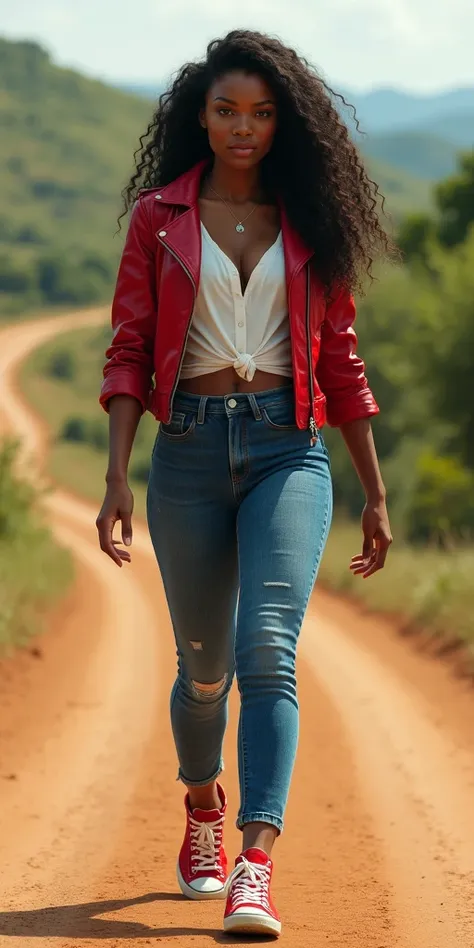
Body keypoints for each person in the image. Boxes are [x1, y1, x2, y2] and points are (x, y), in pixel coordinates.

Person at [96, 29, 393, 939]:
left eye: (261, 114)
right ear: (201, 115)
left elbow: (340, 360)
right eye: (227, 110)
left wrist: (375, 492)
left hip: (287, 449)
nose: (243, 128)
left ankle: (255, 866)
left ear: (284, 123)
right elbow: (131, 347)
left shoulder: (310, 219)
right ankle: (201, 805)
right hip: (184, 450)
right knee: (203, 667)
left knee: (268, 647)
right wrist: (114, 473)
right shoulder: (159, 218)